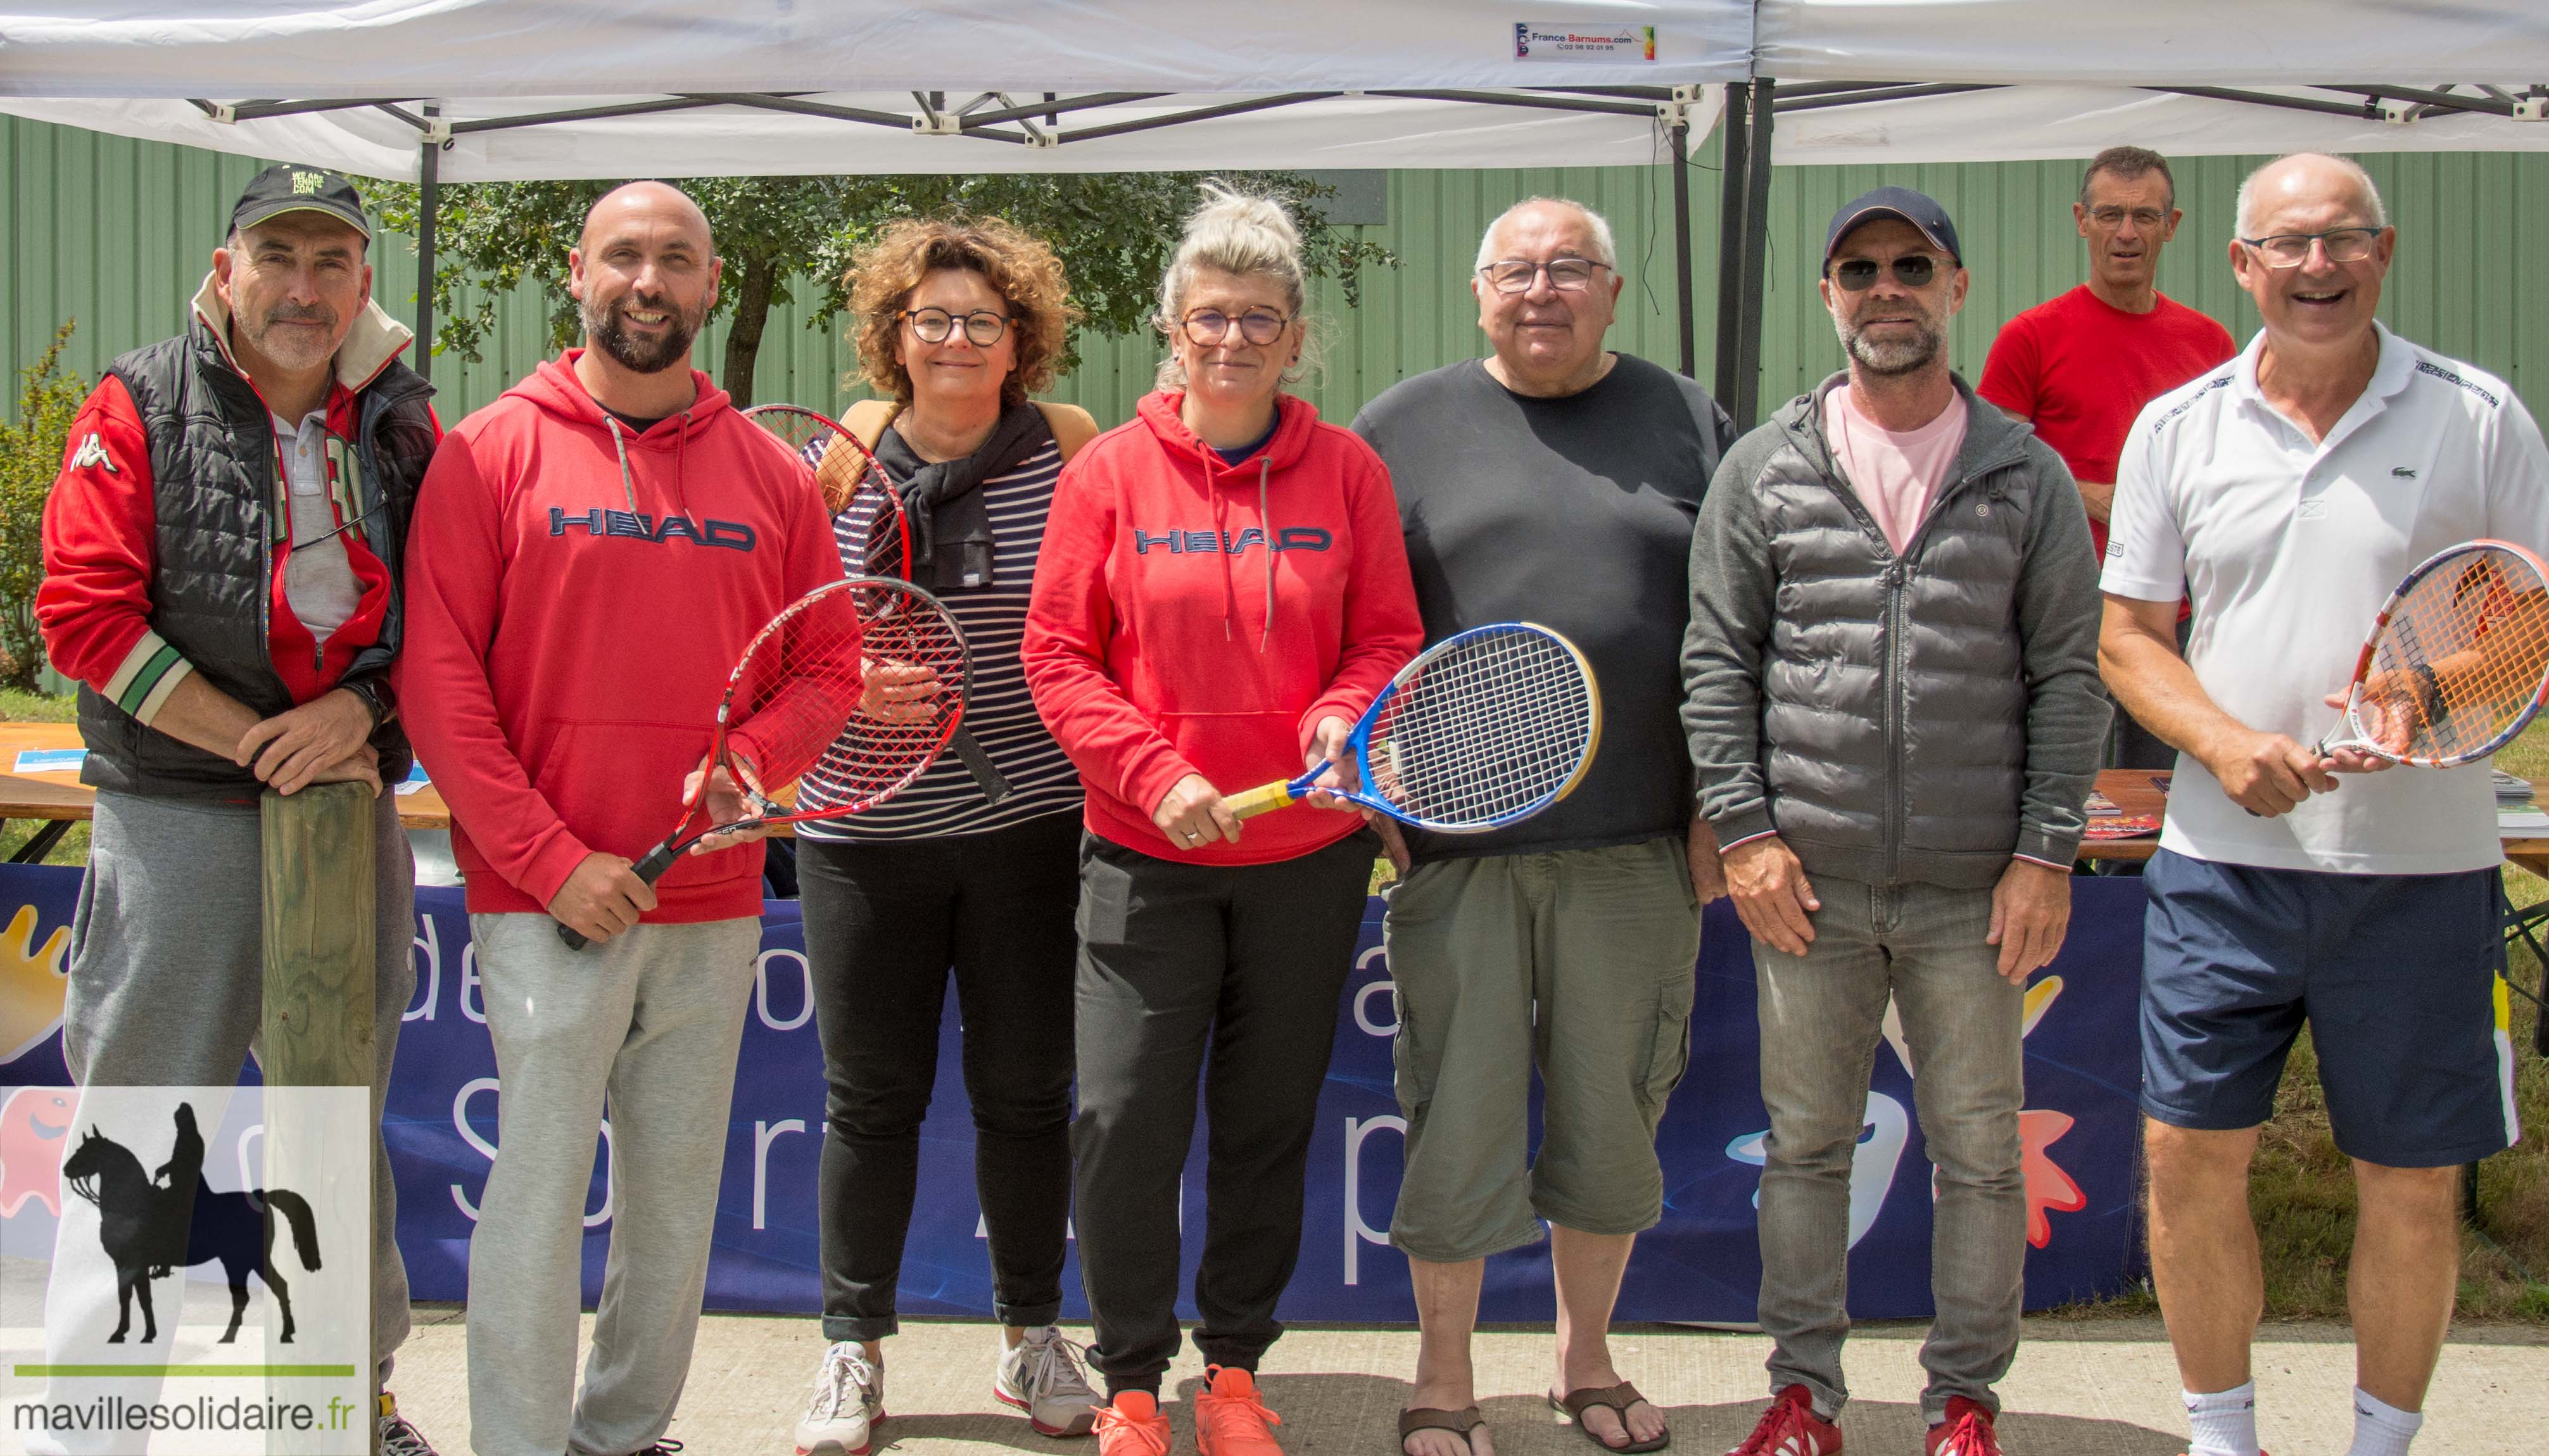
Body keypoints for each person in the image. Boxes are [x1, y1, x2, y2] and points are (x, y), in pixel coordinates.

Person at [2099, 152, 2548, 1456]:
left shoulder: (2474, 415)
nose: (2315, 266)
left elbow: (2527, 620)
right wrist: (2223, 742)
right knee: (2186, 1161)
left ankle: (2376, 1445)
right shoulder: (2176, 426)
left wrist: (2423, 683)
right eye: (2285, 244)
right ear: (2237, 265)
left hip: (2418, 872)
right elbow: (2125, 635)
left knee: (2405, 1182)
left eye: (2340, 239)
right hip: (2216, 863)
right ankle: (2220, 1437)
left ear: (2381, 251)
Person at [397, 181, 843, 1456]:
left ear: (709, 288)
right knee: (535, 1196)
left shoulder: (771, 476)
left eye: (677, 261)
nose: (649, 281)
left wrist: (747, 760)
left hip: (706, 900)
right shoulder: (487, 451)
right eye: (625, 257)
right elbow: (439, 682)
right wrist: (551, 861)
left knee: (673, 1201)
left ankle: (624, 1433)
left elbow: (826, 666)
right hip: (544, 902)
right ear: (579, 276)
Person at [1684, 186, 2108, 1456]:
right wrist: (1747, 833)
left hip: (1971, 888)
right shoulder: (1764, 466)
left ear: (1952, 288)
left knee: (1976, 1154)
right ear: (1827, 295)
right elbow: (1716, 665)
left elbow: (2067, 678)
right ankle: (1801, 1394)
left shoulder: (2020, 470)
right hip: (1803, 879)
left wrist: (2043, 853)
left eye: (1908, 265)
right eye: (1856, 267)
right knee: (1805, 1148)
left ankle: (1962, 1402)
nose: (1883, 288)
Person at [34, 162, 441, 1456]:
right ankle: (102, 1424)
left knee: (335, 1117)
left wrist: (364, 722)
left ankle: (339, 1410)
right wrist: (257, 741)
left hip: (344, 803)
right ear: (227, 270)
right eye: (279, 257)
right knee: (145, 1113)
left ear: (361, 282)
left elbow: (451, 627)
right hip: (177, 806)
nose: (304, 288)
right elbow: (83, 615)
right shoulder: (140, 399)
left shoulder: (405, 424)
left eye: (332, 263)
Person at [1021, 183, 1424, 1456]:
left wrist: (1339, 721)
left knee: (1264, 1122)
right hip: (1145, 859)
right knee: (1125, 1117)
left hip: (1304, 861)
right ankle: (1131, 1382)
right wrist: (1151, 774)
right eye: (1210, 317)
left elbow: (1385, 638)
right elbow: (1055, 655)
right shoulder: (1107, 473)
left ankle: (1234, 1374)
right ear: (1171, 328)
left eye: (1260, 318)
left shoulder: (1347, 469)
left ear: (1295, 335)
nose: (1234, 339)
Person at [1350, 196, 1733, 1456]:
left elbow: (1740, 633)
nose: (1541, 291)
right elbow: (1349, 629)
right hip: (1454, 859)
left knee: (1611, 1119)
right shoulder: (1400, 428)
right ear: (1478, 293)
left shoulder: (1688, 423)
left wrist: (1722, 810)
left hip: (1636, 849)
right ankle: (1444, 1377)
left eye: (1569, 269)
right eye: (1515, 270)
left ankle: (1584, 1360)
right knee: (1453, 1123)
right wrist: (1374, 794)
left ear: (1611, 293)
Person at [789, 217, 1101, 1456]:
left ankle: (1031, 1339)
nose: (957, 339)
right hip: (861, 827)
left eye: (982, 318)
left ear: (1019, 337)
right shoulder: (841, 458)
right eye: (933, 319)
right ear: (895, 336)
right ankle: (849, 1353)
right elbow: (781, 622)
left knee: (1025, 1099)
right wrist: (850, 677)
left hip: (1029, 826)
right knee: (868, 1101)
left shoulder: (1071, 452)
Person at [1980, 146, 2235, 769]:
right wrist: (2096, 497)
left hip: (2168, 616)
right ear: (2080, 219)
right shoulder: (2031, 337)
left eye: (2144, 217)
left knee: (2160, 794)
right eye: (2109, 215)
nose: (2125, 233)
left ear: (2171, 226)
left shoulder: (2209, 344)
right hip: (2063, 613)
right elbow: (1992, 467)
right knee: (2067, 795)